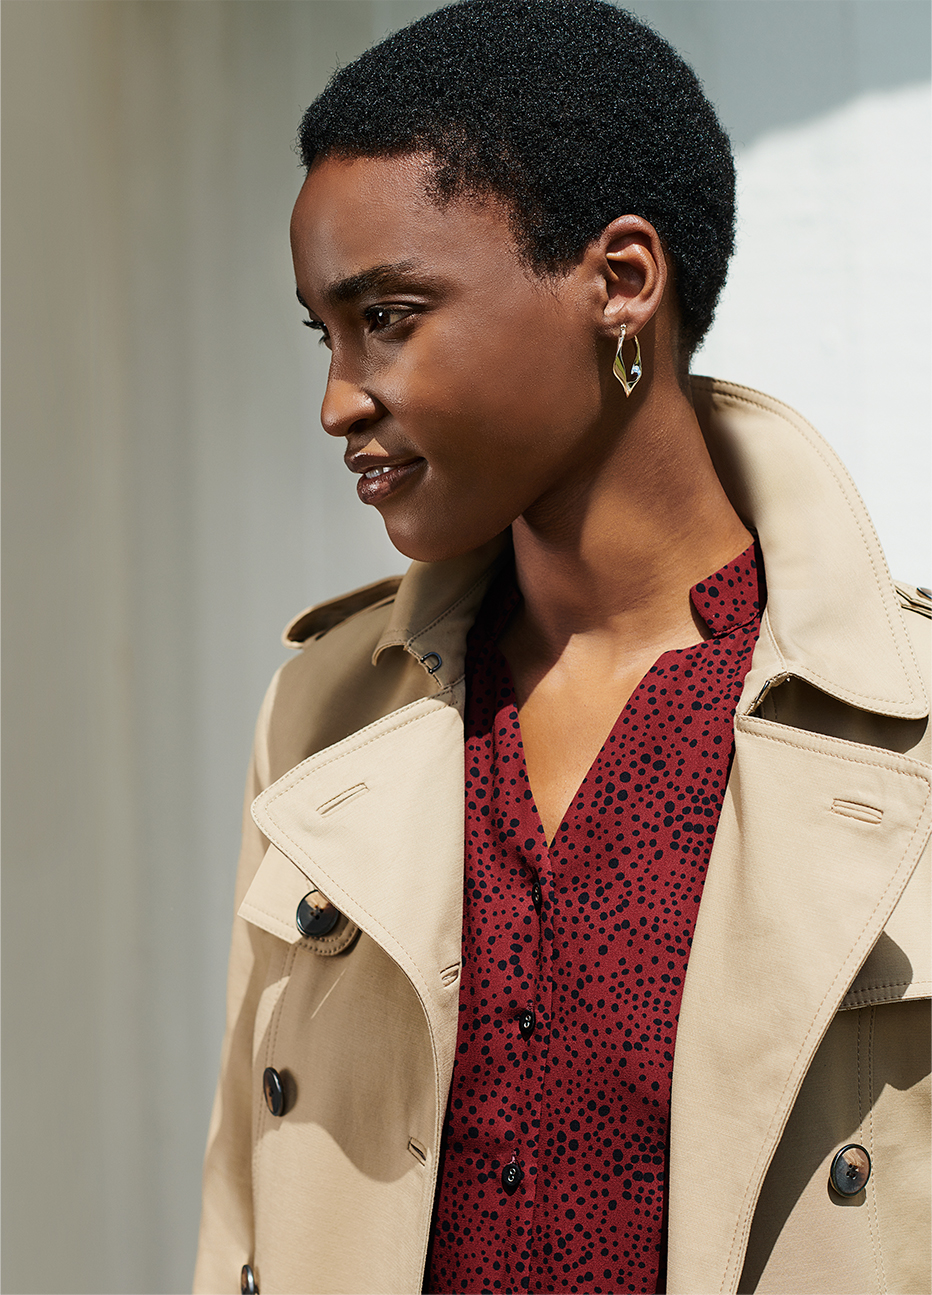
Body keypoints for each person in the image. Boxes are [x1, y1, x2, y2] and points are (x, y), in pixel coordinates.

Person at [193, 2, 930, 1292]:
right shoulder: (322, 713)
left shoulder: (904, 717)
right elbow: (245, 1214)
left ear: (622, 282)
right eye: (327, 330)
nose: (337, 399)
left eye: (394, 316)